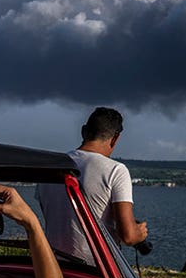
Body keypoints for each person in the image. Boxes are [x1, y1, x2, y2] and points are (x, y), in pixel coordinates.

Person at [38, 107, 147, 265]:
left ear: (83, 132)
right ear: (115, 138)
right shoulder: (116, 170)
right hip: (97, 272)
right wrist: (140, 234)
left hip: (54, 267)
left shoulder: (51, 167)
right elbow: (128, 236)